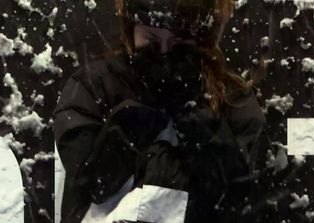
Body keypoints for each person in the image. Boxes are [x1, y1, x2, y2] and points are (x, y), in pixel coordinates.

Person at [53, 0, 268, 222]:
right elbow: (87, 185)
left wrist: (213, 142)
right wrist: (124, 132)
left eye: (178, 42)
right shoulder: (95, 86)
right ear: (131, 29)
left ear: (201, 39)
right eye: (152, 40)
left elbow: (249, 194)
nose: (165, 52)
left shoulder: (230, 98)